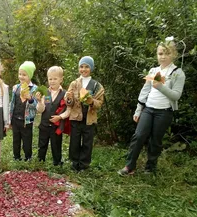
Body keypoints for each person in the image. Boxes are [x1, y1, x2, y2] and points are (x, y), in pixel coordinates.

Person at [118, 38, 186, 175]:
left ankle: (150, 168)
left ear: (173, 54)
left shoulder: (178, 73)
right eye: (160, 53)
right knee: (139, 135)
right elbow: (145, 91)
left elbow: (176, 96)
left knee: (156, 140)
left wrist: (160, 87)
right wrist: (138, 110)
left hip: (164, 112)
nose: (163, 56)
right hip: (148, 109)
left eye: (167, 53)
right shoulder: (153, 70)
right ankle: (129, 166)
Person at [63, 56, 105, 172]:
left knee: (87, 142)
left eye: (86, 67)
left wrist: (92, 102)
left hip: (89, 118)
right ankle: (74, 163)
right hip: (76, 117)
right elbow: (68, 103)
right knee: (74, 141)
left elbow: (99, 103)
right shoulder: (74, 83)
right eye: (81, 67)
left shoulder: (97, 85)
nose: (83, 69)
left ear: (91, 68)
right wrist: (69, 99)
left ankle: (84, 165)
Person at [35, 66, 68, 166]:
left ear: (61, 79)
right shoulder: (46, 93)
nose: (52, 81)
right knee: (42, 144)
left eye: (55, 79)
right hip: (44, 124)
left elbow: (68, 109)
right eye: (50, 79)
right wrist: (40, 101)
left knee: (56, 145)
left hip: (56, 126)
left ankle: (57, 163)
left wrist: (60, 117)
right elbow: (41, 109)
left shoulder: (65, 94)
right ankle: (40, 162)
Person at [9, 61, 38, 161]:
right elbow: (12, 103)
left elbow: (36, 106)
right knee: (16, 139)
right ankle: (16, 157)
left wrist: (30, 99)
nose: (21, 76)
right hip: (16, 118)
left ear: (29, 75)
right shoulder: (16, 87)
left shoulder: (34, 89)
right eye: (20, 74)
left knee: (27, 139)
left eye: (24, 74)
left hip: (27, 120)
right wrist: (10, 118)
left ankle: (28, 157)